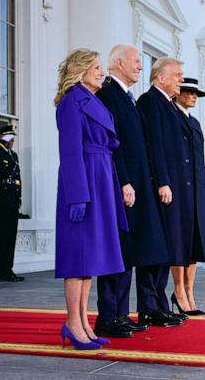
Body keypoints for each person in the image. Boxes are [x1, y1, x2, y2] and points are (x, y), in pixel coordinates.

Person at [95, 45, 183, 339]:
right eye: (135, 62)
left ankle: (121, 314)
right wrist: (124, 181)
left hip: (139, 184)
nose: (140, 67)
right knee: (119, 250)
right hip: (126, 185)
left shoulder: (127, 98)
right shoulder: (108, 93)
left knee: (130, 251)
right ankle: (109, 316)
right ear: (118, 62)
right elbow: (113, 141)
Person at [54, 48, 128, 350]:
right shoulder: (71, 102)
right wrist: (77, 197)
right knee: (77, 258)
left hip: (101, 178)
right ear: (80, 70)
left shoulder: (92, 100)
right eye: (96, 67)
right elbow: (70, 153)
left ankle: (83, 322)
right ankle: (73, 323)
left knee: (90, 258)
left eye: (101, 67)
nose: (102, 72)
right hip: (84, 183)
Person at [138, 63, 205, 316]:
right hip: (175, 186)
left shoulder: (189, 120)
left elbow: (197, 160)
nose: (191, 95)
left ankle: (186, 292)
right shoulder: (159, 105)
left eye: (195, 93)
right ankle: (178, 293)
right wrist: (163, 181)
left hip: (194, 187)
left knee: (194, 242)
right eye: (186, 89)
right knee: (178, 242)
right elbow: (158, 147)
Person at [0, 125, 25, 282]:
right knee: (2, 236)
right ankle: (2, 271)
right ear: (2, 136)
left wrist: (19, 198)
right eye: (9, 137)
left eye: (13, 137)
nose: (13, 140)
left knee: (11, 236)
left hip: (13, 201)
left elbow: (18, 179)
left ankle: (9, 269)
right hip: (1, 199)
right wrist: (3, 144)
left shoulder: (13, 155)